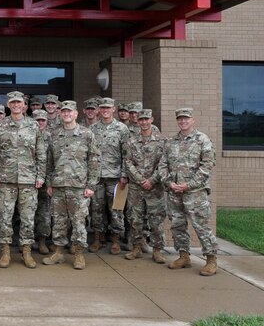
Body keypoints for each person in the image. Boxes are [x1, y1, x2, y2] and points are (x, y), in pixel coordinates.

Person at [158, 108, 218, 276]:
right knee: (177, 225)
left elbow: (207, 166)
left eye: (186, 119)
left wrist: (189, 185)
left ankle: (211, 259)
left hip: (195, 193)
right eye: (180, 119)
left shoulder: (202, 140)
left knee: (201, 226)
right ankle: (183, 256)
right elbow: (162, 165)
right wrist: (170, 183)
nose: (183, 121)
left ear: (193, 120)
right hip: (174, 192)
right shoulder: (171, 142)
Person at [0, 91, 46, 269]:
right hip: (6, 179)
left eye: (18, 102)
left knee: (28, 217)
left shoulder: (33, 126)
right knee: (5, 217)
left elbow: (40, 153)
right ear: (8, 104)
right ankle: (5, 251)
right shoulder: (0, 126)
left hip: (28, 179)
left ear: (24, 105)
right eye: (12, 102)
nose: (15, 105)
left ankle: (26, 250)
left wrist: (40, 175)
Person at [42, 101, 100, 270]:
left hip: (79, 186)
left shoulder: (86, 134)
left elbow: (94, 161)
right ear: (61, 114)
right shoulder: (54, 135)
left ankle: (79, 254)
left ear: (76, 114)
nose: (66, 114)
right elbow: (49, 163)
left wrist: (91, 185)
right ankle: (59, 252)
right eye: (64, 112)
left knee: (78, 222)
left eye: (70, 112)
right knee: (59, 221)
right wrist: (50, 183)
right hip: (59, 185)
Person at [123, 109, 167, 263]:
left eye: (146, 119)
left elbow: (164, 164)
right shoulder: (132, 141)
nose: (143, 122)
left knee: (156, 220)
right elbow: (128, 162)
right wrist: (141, 179)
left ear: (152, 120)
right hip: (136, 187)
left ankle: (157, 250)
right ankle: (136, 248)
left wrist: (152, 180)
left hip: (155, 188)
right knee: (135, 219)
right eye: (141, 119)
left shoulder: (161, 141)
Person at [89, 97, 130, 254]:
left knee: (116, 210)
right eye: (103, 108)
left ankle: (116, 240)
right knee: (96, 209)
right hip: (97, 177)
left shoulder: (121, 129)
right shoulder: (93, 129)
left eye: (108, 108)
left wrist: (124, 174)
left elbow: (127, 153)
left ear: (113, 109)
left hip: (116, 177)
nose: (105, 110)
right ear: (99, 110)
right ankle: (98, 239)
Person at [32, 109, 52, 254]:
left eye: (42, 120)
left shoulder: (52, 137)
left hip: (46, 181)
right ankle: (26, 240)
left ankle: (42, 241)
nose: (40, 123)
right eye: (37, 120)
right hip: (29, 179)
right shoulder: (28, 135)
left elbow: (53, 161)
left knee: (44, 213)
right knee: (26, 213)